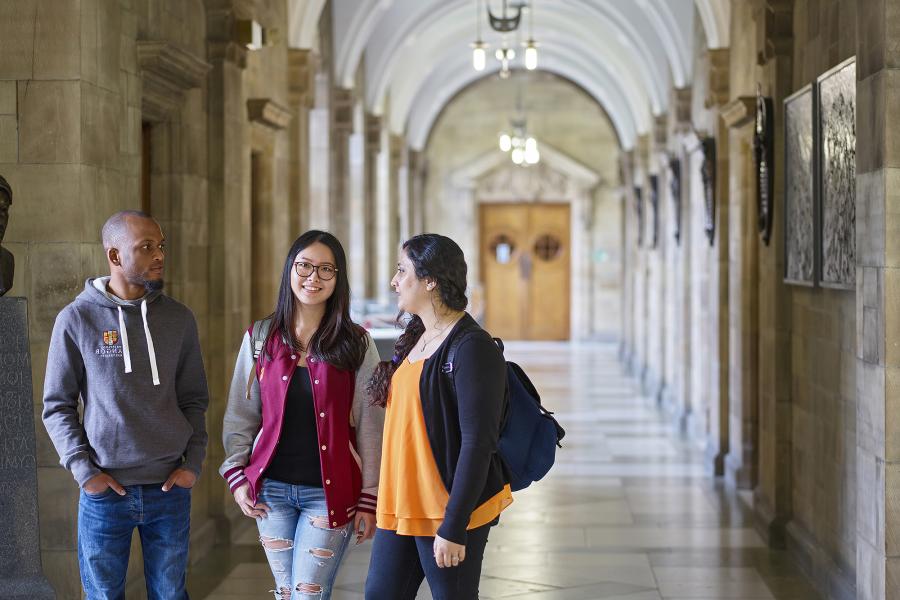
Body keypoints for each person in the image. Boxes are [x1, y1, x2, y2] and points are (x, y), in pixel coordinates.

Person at [42, 210, 209, 599]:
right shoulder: (76, 319)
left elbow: (194, 399)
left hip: (169, 488)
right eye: (146, 247)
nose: (159, 256)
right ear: (115, 257)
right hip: (105, 493)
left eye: (161, 246)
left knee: (171, 594)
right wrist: (86, 473)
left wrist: (192, 465)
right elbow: (57, 405)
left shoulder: (179, 319)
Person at [220, 230, 383, 600]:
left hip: (328, 494)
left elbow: (371, 427)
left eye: (327, 269)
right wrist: (236, 474)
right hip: (271, 491)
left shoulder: (357, 343)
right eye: (305, 266)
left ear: (339, 278)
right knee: (287, 593)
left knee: (308, 593)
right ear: (289, 270)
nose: (314, 277)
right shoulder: (261, 337)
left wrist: (369, 496)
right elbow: (240, 415)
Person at [364, 233, 512, 600]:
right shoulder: (418, 335)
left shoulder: (471, 347)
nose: (394, 281)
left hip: (444, 510)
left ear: (430, 280)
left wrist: (454, 526)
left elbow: (479, 444)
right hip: (402, 504)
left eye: (402, 271)